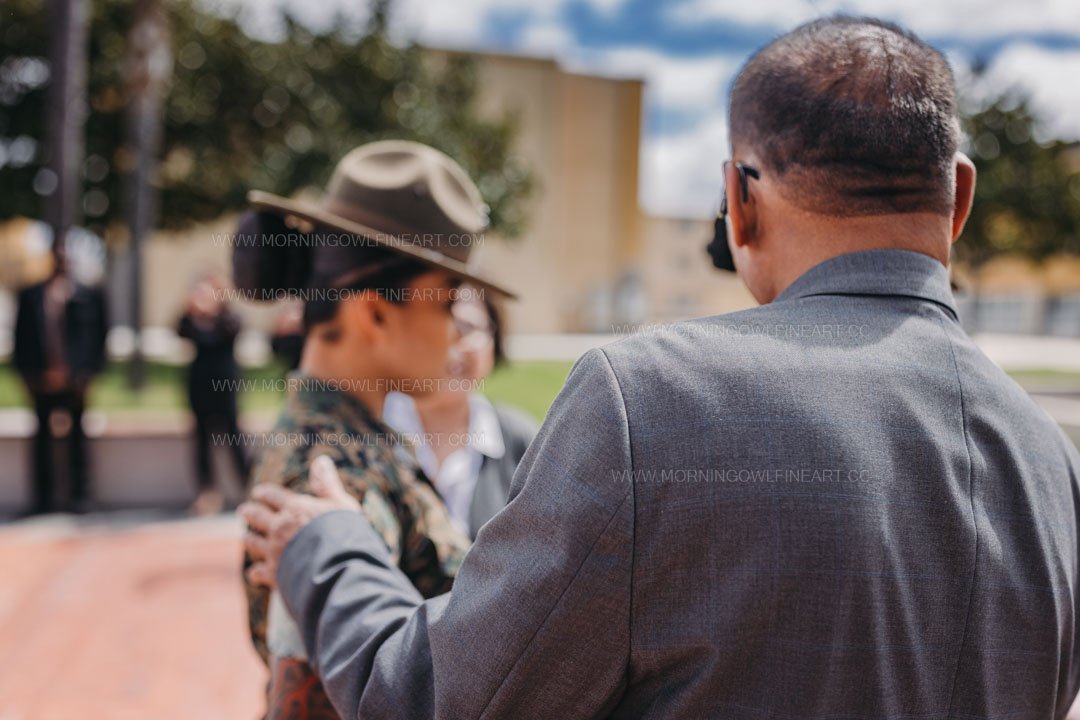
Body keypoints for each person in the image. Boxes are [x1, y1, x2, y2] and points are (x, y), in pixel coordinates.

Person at [241, 16, 1080, 718]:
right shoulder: (1055, 467)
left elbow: (438, 698)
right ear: (959, 198)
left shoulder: (649, 400)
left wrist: (326, 551)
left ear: (739, 200)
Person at [236, 140, 516, 718]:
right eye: (446, 300)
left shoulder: (355, 434)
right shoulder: (330, 477)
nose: (456, 332)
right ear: (376, 314)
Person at [383, 289, 537, 538]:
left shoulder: (523, 442)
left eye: (466, 327)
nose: (450, 343)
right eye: (438, 326)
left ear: (494, 337)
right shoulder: (369, 430)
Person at [13, 243, 107, 515]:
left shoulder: (88, 293)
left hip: (74, 380)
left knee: (78, 438)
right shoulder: (32, 294)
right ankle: (43, 499)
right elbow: (21, 336)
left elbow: (99, 335)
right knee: (41, 439)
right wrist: (27, 374)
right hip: (42, 378)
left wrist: (88, 373)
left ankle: (81, 496)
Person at [177, 272, 249, 515]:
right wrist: (194, 313)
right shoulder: (192, 321)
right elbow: (180, 331)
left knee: (233, 438)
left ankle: (247, 488)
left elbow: (226, 334)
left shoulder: (228, 320)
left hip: (225, 385)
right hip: (199, 384)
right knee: (201, 440)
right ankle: (207, 493)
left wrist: (210, 315)